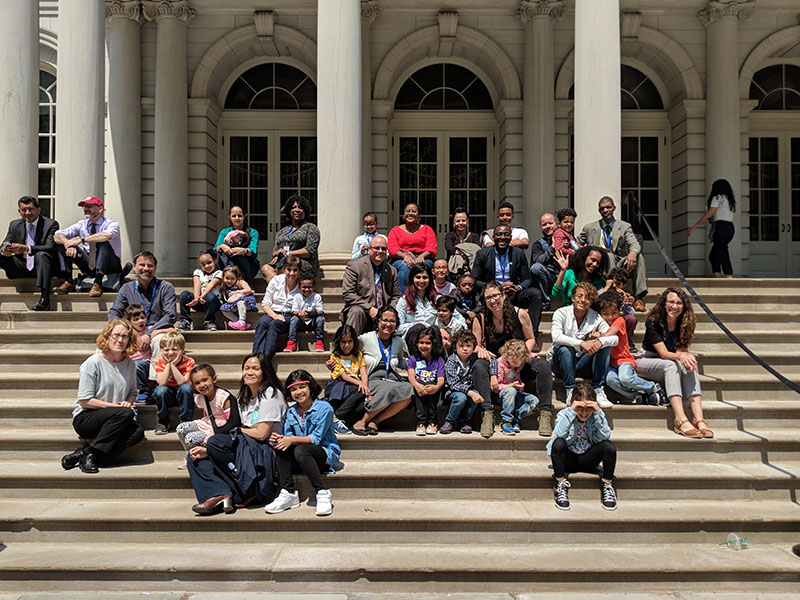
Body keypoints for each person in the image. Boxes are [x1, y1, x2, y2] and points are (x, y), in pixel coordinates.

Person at [187, 353, 285, 515]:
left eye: (255, 368)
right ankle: (221, 494)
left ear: (265, 371)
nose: (249, 372)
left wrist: (237, 431)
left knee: (215, 442)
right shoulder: (245, 396)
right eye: (246, 368)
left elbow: (261, 434)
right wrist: (207, 451)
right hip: (245, 446)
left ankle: (241, 493)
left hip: (263, 450)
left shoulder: (270, 394)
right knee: (194, 457)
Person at [60, 319, 144, 474]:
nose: (120, 340)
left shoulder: (130, 363)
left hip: (115, 418)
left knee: (137, 432)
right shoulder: (93, 362)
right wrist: (120, 408)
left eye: (125, 336)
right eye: (116, 335)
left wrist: (128, 403)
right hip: (87, 418)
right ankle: (90, 454)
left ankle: (88, 454)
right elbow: (85, 400)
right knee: (125, 414)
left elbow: (133, 392)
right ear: (107, 336)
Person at [472, 281, 554, 437]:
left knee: (543, 365)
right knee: (478, 365)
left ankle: (545, 413)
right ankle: (487, 413)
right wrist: (481, 350)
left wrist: (521, 356)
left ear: (503, 295)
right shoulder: (480, 318)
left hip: (519, 363)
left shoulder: (520, 313)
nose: (492, 300)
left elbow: (530, 339)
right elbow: (475, 345)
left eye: (495, 295)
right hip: (496, 365)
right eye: (488, 297)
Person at [635, 288, 713, 439]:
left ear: (684, 306)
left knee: (689, 365)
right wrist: (682, 356)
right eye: (671, 302)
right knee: (673, 364)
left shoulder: (685, 322)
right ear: (664, 304)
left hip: (670, 361)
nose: (674, 306)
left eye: (679, 303)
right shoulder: (654, 321)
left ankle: (699, 419)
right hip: (646, 360)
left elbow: (680, 351)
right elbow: (664, 354)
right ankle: (680, 419)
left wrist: (686, 358)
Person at [266, 370, 340, 517]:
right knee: (281, 446)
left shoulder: (325, 408)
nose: (298, 392)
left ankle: (322, 492)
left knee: (300, 450)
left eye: (302, 387)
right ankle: (289, 493)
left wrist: (291, 440)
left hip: (323, 455)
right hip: (301, 457)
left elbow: (316, 439)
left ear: (310, 387)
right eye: (293, 389)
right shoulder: (291, 411)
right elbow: (288, 437)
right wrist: (278, 439)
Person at [547, 383, 618, 511]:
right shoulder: (565, 414)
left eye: (588, 409)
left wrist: (597, 412)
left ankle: (607, 484)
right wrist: (572, 410)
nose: (584, 412)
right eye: (580, 407)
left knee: (609, 446)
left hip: (589, 459)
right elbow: (560, 434)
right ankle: (560, 483)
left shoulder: (596, 416)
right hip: (568, 460)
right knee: (557, 443)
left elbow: (605, 435)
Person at [108, 251, 177, 380]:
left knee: (158, 340)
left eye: (150, 266)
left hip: (158, 330)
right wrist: (121, 329)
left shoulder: (165, 287)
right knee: (109, 339)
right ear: (134, 267)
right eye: (142, 265)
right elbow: (114, 312)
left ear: (155, 268)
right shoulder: (126, 288)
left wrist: (149, 334)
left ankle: (154, 382)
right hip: (134, 331)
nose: (146, 269)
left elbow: (170, 316)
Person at [547, 282, 616, 408]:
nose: (583, 300)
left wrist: (600, 340)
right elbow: (556, 337)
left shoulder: (595, 317)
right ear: (573, 298)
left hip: (582, 363)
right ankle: (571, 391)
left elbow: (614, 338)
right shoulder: (561, 313)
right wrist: (582, 343)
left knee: (604, 346)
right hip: (561, 364)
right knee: (566, 348)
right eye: (580, 296)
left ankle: (598, 389)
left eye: (588, 298)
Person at [472, 224, 544, 341]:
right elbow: (475, 280)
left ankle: (532, 337)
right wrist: (497, 288)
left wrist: (518, 287)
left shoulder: (518, 253)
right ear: (493, 237)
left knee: (535, 294)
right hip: (492, 295)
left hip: (512, 293)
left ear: (510, 237)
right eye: (499, 234)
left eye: (506, 234)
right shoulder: (483, 254)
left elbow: (527, 279)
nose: (502, 237)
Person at [350, 306, 413, 436]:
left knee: (408, 390)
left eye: (392, 321)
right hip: (372, 379)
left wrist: (413, 365)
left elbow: (400, 361)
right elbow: (350, 353)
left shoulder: (398, 341)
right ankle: (361, 422)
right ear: (378, 321)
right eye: (384, 320)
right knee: (389, 389)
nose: (388, 324)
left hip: (392, 379)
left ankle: (376, 421)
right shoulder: (365, 338)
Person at [578, 196, 648, 311]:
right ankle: (612, 293)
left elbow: (634, 244)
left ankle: (639, 298)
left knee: (639, 257)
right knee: (608, 255)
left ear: (614, 208)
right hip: (600, 264)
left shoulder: (625, 227)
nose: (605, 210)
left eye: (608, 207)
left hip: (620, 262)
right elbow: (576, 244)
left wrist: (633, 253)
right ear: (599, 211)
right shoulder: (589, 228)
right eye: (602, 208)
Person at [596, 292, 664, 405]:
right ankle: (636, 396)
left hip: (624, 359)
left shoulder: (620, 321)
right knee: (610, 380)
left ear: (619, 311)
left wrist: (598, 335)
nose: (610, 317)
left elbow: (609, 334)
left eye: (614, 313)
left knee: (625, 378)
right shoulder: (599, 323)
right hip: (609, 363)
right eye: (606, 314)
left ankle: (652, 386)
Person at [53, 196, 128, 298]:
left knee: (101, 241)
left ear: (100, 209)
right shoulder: (82, 224)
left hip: (110, 264)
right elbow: (57, 235)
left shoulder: (111, 223)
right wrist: (68, 244)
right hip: (89, 262)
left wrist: (82, 239)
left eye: (89, 206)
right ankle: (69, 281)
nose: (86, 209)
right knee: (61, 244)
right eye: (84, 207)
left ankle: (98, 283)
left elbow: (106, 235)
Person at [0, 195, 59, 310]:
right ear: (19, 211)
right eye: (23, 210)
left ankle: (45, 298)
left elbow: (50, 247)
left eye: (30, 209)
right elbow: (5, 242)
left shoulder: (50, 224)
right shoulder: (14, 225)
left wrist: (27, 248)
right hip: (20, 266)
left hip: (42, 267)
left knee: (42, 255)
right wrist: (5, 250)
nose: (27, 213)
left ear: (38, 210)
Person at [176, 363, 234, 470]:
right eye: (197, 383)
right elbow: (206, 412)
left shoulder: (223, 397)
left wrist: (210, 438)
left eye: (205, 380)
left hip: (220, 426)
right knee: (181, 428)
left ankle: (199, 454)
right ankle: (190, 453)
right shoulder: (201, 397)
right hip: (207, 423)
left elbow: (231, 421)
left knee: (190, 439)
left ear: (214, 379)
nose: (202, 385)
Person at [340, 235, 400, 335]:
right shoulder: (355, 266)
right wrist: (369, 308)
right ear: (369, 249)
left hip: (384, 313)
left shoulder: (391, 270)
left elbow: (396, 295)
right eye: (376, 248)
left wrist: (388, 310)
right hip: (362, 310)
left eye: (383, 249)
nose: (380, 251)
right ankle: (351, 346)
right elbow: (348, 293)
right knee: (356, 311)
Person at [441, 329, 496, 435]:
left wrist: (493, 375)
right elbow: (453, 384)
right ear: (455, 348)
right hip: (453, 392)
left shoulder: (473, 358)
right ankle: (449, 421)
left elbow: (492, 360)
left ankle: (465, 421)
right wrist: (470, 393)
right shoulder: (452, 361)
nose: (465, 349)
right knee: (461, 398)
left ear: (473, 348)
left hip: (470, 390)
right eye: (461, 346)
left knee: (477, 395)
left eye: (468, 346)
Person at [262, 194, 320, 283]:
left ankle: (285, 292)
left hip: (303, 262)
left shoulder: (311, 228)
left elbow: (309, 251)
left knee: (286, 268)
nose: (297, 210)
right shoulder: (283, 231)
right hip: (283, 262)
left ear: (305, 211)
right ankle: (282, 291)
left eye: (300, 207)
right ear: (289, 211)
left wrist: (289, 254)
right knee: (266, 268)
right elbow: (275, 251)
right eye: (294, 207)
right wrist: (278, 253)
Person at [252, 255, 301, 359]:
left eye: (295, 270)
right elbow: (265, 304)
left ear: (299, 272)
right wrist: (274, 315)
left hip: (289, 315)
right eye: (289, 269)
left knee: (275, 324)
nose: (291, 273)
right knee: (262, 323)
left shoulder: (302, 286)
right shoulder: (276, 280)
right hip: (273, 312)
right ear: (283, 270)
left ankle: (266, 359)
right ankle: (256, 358)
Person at [323, 324, 370, 433]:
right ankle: (337, 416)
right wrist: (360, 384)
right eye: (343, 342)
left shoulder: (358, 355)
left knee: (363, 405)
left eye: (350, 341)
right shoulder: (335, 356)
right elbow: (344, 376)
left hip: (354, 387)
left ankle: (339, 420)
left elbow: (364, 373)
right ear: (338, 342)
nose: (347, 345)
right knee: (360, 392)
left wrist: (365, 387)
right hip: (340, 386)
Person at [688, 178, 736, 278]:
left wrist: (694, 227)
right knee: (714, 255)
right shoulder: (729, 200)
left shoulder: (717, 198)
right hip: (730, 227)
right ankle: (717, 277)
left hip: (721, 227)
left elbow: (709, 215)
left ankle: (729, 276)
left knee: (722, 252)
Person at [152, 330, 196, 435]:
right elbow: (161, 382)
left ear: (182, 350)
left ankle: (186, 421)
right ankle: (163, 421)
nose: (170, 353)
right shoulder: (159, 361)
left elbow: (182, 382)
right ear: (161, 350)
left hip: (184, 395)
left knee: (186, 388)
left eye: (174, 349)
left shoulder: (189, 361)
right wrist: (168, 365)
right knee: (160, 390)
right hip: (168, 395)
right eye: (166, 350)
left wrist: (173, 365)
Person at [387, 202, 437, 292]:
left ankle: (425, 295)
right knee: (405, 266)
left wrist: (422, 256)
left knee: (423, 266)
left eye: (414, 211)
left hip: (423, 257)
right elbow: (392, 248)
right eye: (407, 211)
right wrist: (405, 256)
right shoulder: (395, 230)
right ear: (404, 215)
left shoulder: (427, 229)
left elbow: (432, 247)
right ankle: (403, 297)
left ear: (419, 215)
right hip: (401, 258)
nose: (410, 213)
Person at [407, 326, 446, 436]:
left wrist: (436, 387)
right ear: (416, 344)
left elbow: (441, 379)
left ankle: (433, 422)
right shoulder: (413, 359)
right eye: (421, 342)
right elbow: (411, 376)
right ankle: (421, 423)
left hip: (433, 389)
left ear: (433, 344)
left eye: (427, 343)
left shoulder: (439, 360)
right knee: (417, 392)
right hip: (419, 388)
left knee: (432, 390)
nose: (424, 346)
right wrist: (416, 385)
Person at [497, 339, 539, 436]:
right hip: (503, 394)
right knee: (511, 391)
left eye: (520, 363)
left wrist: (520, 386)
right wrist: (511, 386)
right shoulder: (500, 364)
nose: (517, 365)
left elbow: (528, 354)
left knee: (534, 400)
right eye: (515, 362)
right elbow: (496, 387)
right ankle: (506, 420)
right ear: (507, 355)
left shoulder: (517, 362)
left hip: (516, 392)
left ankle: (515, 418)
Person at [177, 249, 223, 332]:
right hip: (199, 302)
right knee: (184, 294)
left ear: (215, 261)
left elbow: (211, 285)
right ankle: (185, 321)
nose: (206, 266)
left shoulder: (219, 273)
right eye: (203, 264)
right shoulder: (198, 272)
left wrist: (201, 296)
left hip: (213, 303)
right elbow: (197, 284)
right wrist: (196, 298)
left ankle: (209, 321)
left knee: (209, 296)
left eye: (209, 262)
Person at [214, 205, 260, 285]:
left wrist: (243, 250)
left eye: (239, 216)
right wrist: (222, 246)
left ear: (244, 217)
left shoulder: (253, 232)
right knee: (220, 253)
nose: (237, 218)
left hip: (248, 265)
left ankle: (247, 283)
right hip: (228, 263)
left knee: (239, 255)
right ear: (230, 217)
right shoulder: (225, 232)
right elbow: (216, 248)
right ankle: (222, 283)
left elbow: (253, 251)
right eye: (233, 216)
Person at [396, 262, 438, 344]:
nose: (421, 281)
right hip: (412, 340)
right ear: (412, 279)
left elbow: (455, 316)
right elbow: (397, 328)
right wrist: (413, 325)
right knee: (418, 328)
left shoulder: (436, 299)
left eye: (425, 277)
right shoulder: (404, 301)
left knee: (435, 329)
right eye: (418, 277)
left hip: (432, 340)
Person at [286, 272, 325, 352]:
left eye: (309, 287)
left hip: (312, 322)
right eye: (304, 287)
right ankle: (291, 342)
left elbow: (320, 311)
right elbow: (294, 311)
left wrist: (308, 314)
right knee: (294, 319)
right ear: (299, 287)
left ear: (313, 287)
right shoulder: (297, 296)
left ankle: (319, 342)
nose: (307, 289)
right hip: (301, 322)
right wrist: (300, 313)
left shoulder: (317, 297)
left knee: (320, 319)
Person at [529, 212, 560, 309]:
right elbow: (538, 261)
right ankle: (545, 301)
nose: (548, 226)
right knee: (536, 268)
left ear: (556, 223)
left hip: (564, 276)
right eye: (544, 224)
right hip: (548, 278)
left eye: (550, 223)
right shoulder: (538, 244)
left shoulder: (567, 240)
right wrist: (552, 248)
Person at [124, 304, 152, 404]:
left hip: (145, 364)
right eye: (136, 319)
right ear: (129, 322)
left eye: (142, 318)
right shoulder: (127, 333)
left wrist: (149, 335)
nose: (140, 321)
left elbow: (170, 329)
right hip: (129, 363)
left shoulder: (149, 330)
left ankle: (143, 389)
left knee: (136, 365)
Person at [219, 265, 258, 331]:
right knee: (224, 310)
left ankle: (242, 321)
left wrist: (237, 292)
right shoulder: (224, 286)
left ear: (237, 277)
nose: (229, 281)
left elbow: (249, 290)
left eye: (232, 279)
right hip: (234, 304)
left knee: (240, 302)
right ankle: (238, 322)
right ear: (223, 277)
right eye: (227, 278)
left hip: (246, 303)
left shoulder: (240, 282)